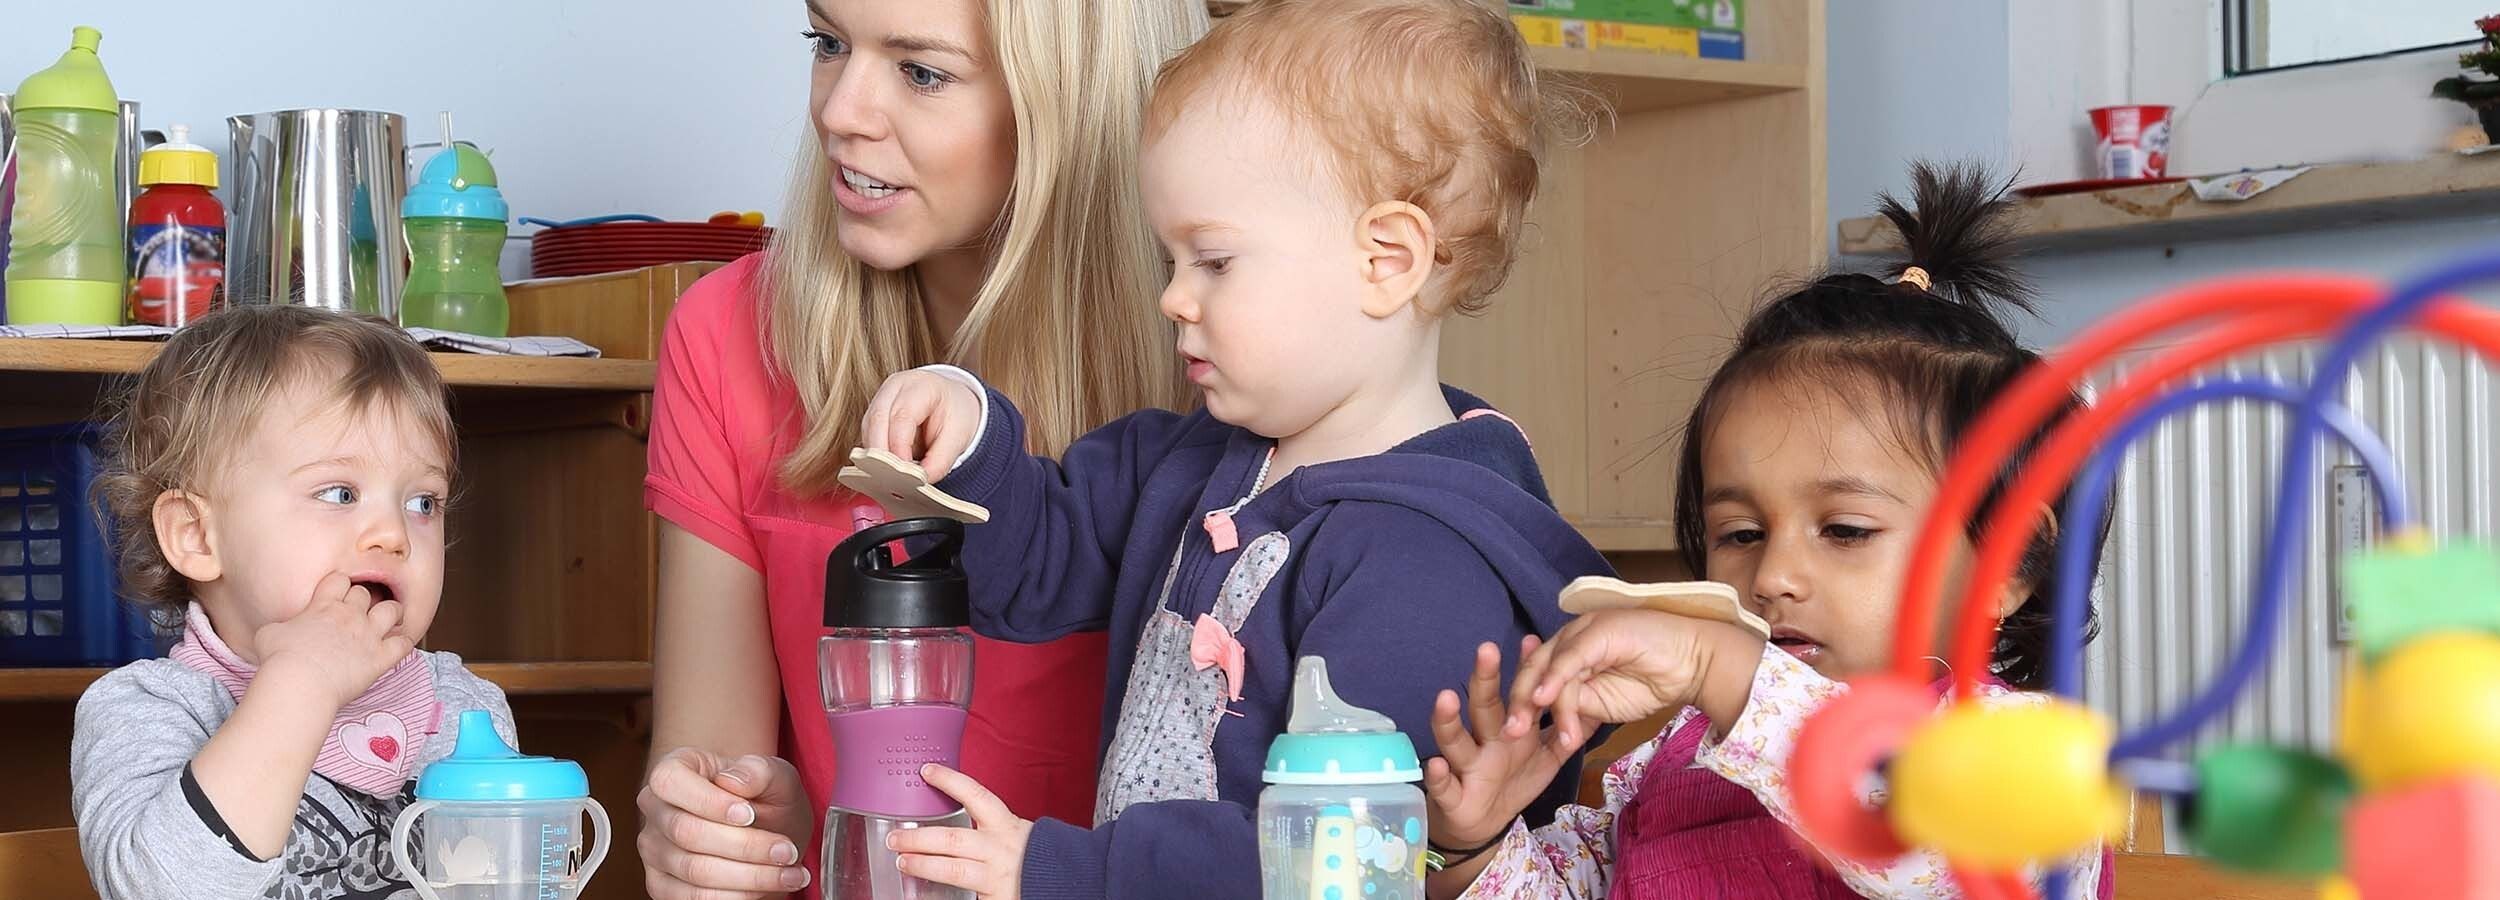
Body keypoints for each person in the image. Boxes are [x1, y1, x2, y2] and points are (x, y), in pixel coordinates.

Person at [858, 1, 1610, 895]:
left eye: (1213, 261)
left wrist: (1063, 870)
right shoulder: (1187, 460)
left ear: (1386, 261)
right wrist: (970, 433)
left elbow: (1346, 865)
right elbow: (1036, 567)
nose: (1174, 299)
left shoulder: (1425, 563)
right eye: (1169, 261)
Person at [633, 1, 1208, 896]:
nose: (839, 111)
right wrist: (722, 833)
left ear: (1073, 104)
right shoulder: (730, 336)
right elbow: (709, 779)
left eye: (922, 71)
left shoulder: (1231, 373)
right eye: (828, 44)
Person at [1422, 163, 2116, 899]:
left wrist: (1722, 668)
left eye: (1845, 530)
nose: (1773, 575)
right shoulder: (1684, 751)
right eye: (1742, 533)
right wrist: (1473, 847)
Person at [72, 305, 516, 899]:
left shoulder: (464, 707)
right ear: (197, 536)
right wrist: (301, 683)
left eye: (422, 502)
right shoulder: (146, 711)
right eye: (339, 492)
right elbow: (162, 890)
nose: (393, 534)